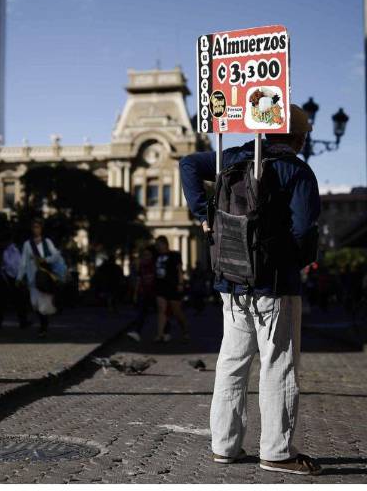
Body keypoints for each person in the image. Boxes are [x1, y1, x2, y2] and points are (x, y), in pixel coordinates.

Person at [180, 103, 322, 476]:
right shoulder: (297, 171)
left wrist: (203, 215)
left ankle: (224, 446)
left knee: (232, 361)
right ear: (299, 137)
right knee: (278, 364)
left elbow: (188, 164)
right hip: (275, 284)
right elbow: (305, 230)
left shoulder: (235, 157)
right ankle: (276, 452)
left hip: (230, 276)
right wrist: (295, 259)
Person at [17, 218, 61, 337]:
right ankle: (43, 325)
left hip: (44, 278)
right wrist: (19, 277)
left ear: (41, 229)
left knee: (44, 304)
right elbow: (23, 262)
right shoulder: (27, 244)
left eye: (38, 227)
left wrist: (45, 259)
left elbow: (56, 255)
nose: (36, 229)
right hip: (33, 278)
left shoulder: (47, 242)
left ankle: (43, 328)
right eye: (34, 227)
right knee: (35, 303)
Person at [153, 235, 189, 343]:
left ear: (165, 244)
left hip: (173, 286)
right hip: (160, 286)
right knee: (161, 310)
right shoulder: (156, 256)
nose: (157, 247)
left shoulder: (174, 255)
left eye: (159, 245)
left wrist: (181, 283)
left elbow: (179, 270)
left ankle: (185, 331)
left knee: (177, 311)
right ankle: (159, 335)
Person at [0, 232, 29, 329]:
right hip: (7, 278)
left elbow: (17, 265)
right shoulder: (9, 250)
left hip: (13, 278)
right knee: (3, 301)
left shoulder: (15, 250)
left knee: (19, 301)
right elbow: (11, 265)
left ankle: (23, 321)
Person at [127, 245, 157, 342]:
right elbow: (139, 279)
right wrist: (136, 293)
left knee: (159, 311)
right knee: (142, 312)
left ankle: (165, 331)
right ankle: (137, 332)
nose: (146, 257)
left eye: (148, 255)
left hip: (154, 292)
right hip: (143, 292)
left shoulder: (154, 265)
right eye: (144, 255)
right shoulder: (142, 265)